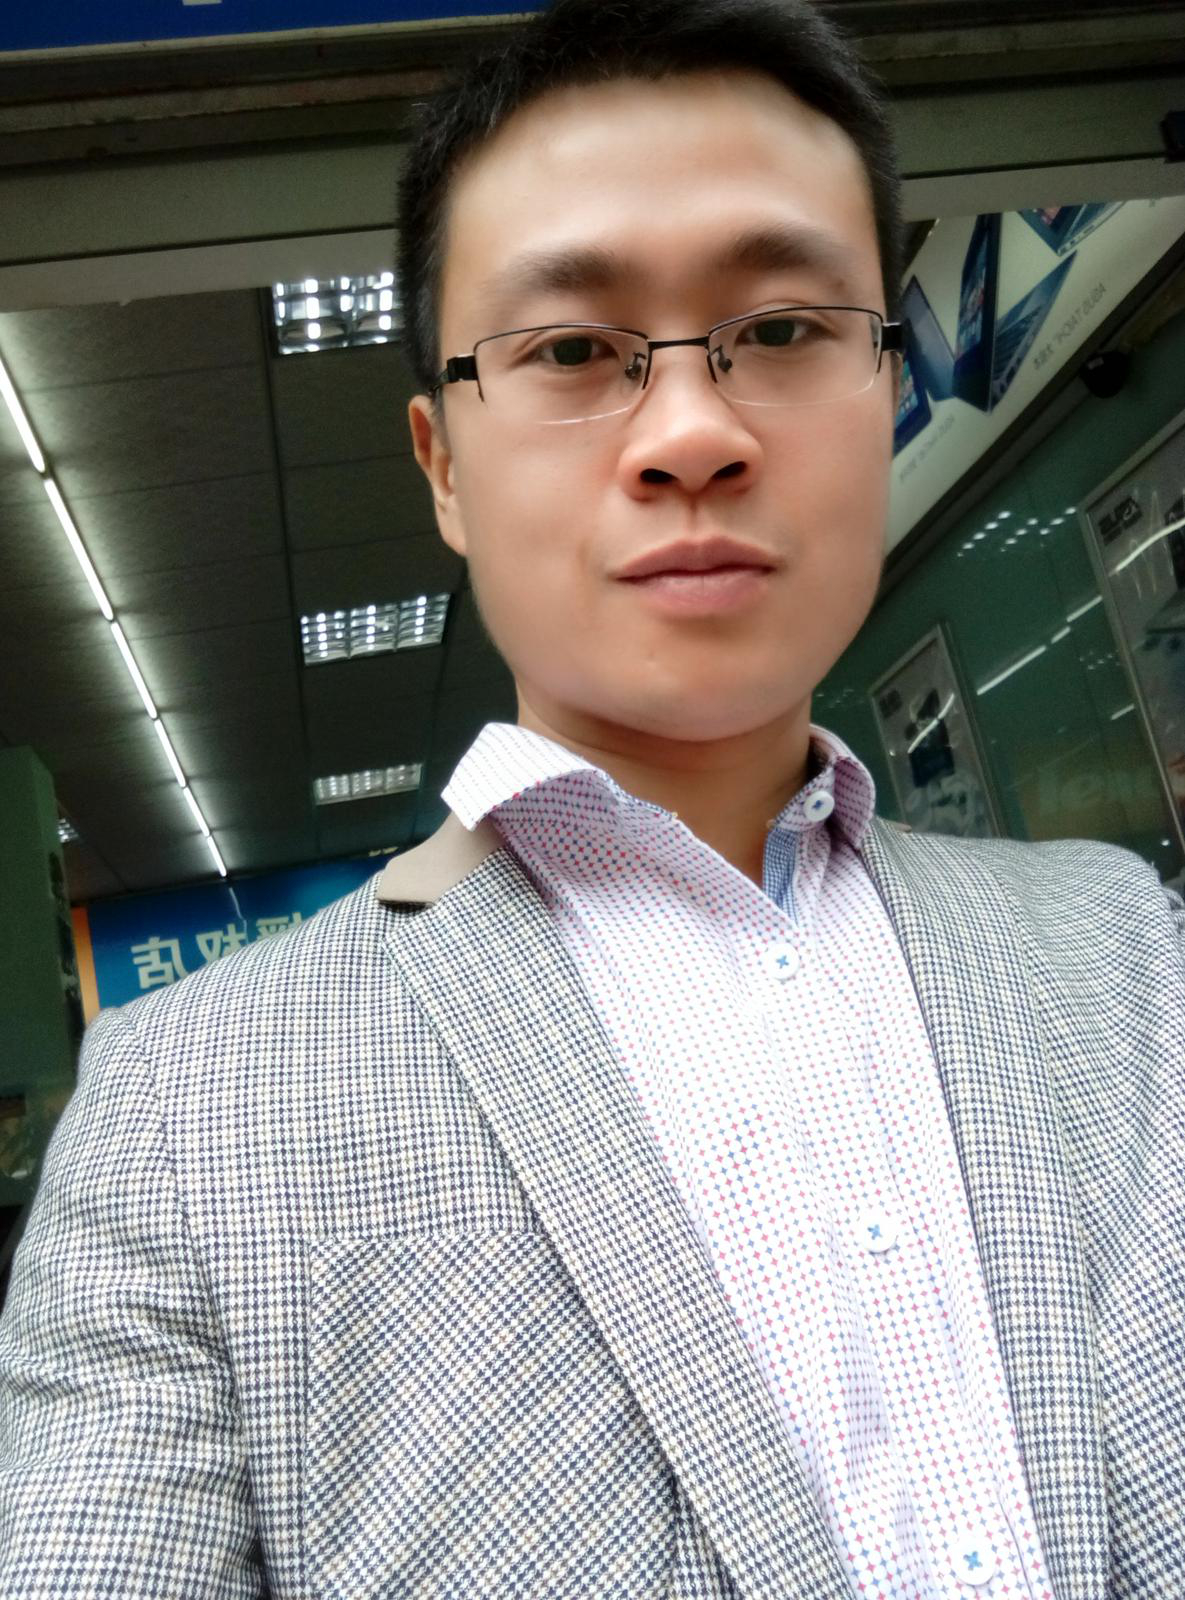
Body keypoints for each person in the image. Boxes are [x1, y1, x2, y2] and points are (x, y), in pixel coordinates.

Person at [1, 0, 1182, 1594]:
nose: (691, 432)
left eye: (783, 328)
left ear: (878, 379)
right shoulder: (187, 1105)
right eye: (569, 350)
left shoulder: (1120, 951)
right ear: (440, 463)